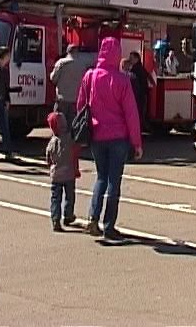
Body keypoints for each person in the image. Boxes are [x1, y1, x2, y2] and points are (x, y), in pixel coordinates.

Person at [77, 37, 143, 240]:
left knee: (101, 177)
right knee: (114, 181)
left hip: (97, 135)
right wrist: (137, 143)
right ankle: (109, 225)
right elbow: (131, 113)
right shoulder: (122, 80)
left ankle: (92, 218)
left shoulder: (90, 76)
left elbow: (81, 105)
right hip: (118, 137)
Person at [46, 111, 80, 232]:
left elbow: (48, 158)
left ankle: (55, 218)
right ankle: (68, 215)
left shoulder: (51, 142)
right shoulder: (70, 138)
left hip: (56, 175)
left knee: (55, 198)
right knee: (70, 196)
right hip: (69, 173)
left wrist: (50, 165)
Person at [50, 44, 89, 131]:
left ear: (67, 51)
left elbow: (53, 79)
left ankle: (60, 144)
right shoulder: (82, 65)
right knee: (73, 128)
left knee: (59, 127)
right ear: (77, 52)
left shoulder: (61, 63)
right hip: (75, 101)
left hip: (62, 100)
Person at [129, 51, 150, 131]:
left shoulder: (136, 70)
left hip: (138, 97)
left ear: (137, 59)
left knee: (137, 115)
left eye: (132, 58)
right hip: (141, 96)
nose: (130, 59)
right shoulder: (141, 69)